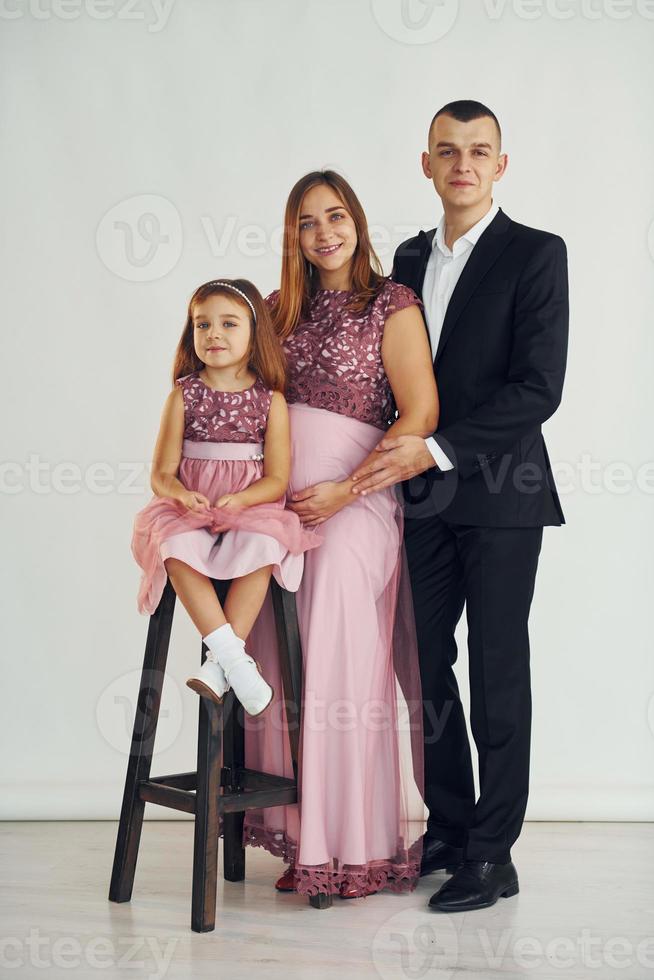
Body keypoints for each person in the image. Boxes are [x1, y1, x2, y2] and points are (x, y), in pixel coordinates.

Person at [351, 100, 569, 912]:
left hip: (503, 497)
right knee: (427, 668)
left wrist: (437, 448)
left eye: (479, 150)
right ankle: (446, 829)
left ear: (500, 165)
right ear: (427, 163)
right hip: (419, 500)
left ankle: (494, 852)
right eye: (448, 150)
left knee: (496, 671)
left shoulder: (537, 254)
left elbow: (538, 388)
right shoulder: (406, 258)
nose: (463, 164)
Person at [240, 170, 438, 906]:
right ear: (292, 235)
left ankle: (349, 847)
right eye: (306, 222)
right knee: (278, 656)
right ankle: (302, 836)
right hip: (281, 504)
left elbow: (419, 414)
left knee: (333, 651)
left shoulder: (392, 304)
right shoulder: (272, 310)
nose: (323, 233)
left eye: (335, 217)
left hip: (357, 502)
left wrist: (346, 491)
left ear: (356, 221)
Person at [131, 277, 322, 716]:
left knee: (265, 546)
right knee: (173, 547)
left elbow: (277, 478)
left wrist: (243, 500)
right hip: (191, 509)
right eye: (202, 325)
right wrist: (181, 495)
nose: (213, 334)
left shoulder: (270, 400)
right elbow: (161, 473)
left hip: (249, 509)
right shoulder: (183, 395)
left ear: (254, 334)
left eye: (228, 324)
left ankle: (220, 667)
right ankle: (236, 659)